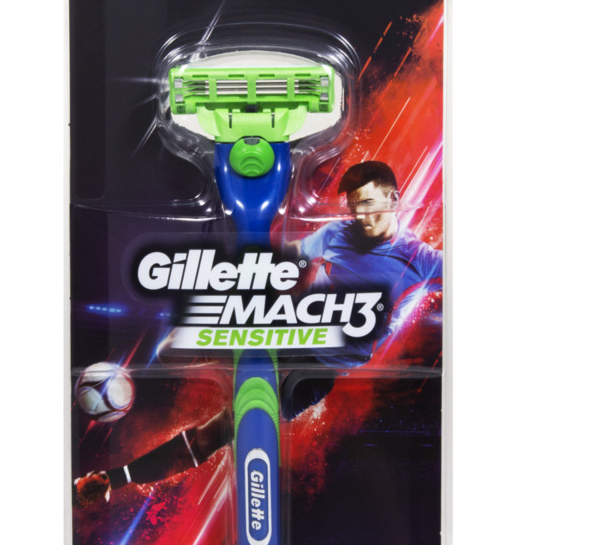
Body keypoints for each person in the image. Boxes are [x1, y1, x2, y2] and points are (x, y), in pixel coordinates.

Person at [74, 160, 442, 506]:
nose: (361, 216)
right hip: (283, 328)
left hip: (316, 371)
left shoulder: (421, 260)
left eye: (369, 204)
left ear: (395, 199)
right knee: (171, 348)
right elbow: (290, 256)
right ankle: (127, 384)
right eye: (354, 207)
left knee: (219, 432)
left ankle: (112, 479)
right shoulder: (337, 233)